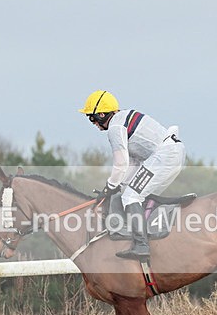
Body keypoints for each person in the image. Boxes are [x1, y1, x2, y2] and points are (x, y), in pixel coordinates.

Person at [79, 90, 186, 261]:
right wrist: (118, 186)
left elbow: (120, 163)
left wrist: (110, 187)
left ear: (101, 114)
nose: (93, 123)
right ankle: (146, 230)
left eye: (92, 118)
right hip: (170, 153)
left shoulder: (115, 128)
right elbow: (133, 163)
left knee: (131, 196)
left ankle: (141, 245)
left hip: (165, 156)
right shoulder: (123, 117)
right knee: (130, 191)